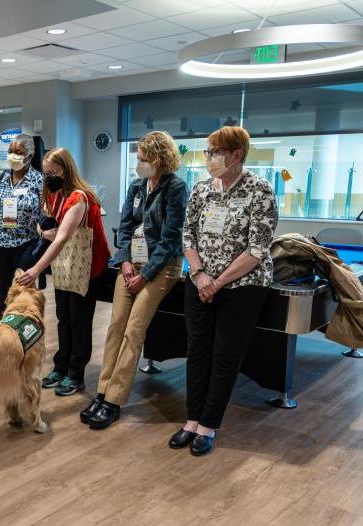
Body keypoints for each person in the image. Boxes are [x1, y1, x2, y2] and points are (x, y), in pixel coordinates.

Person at [168, 126, 277, 456]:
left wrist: (218, 282)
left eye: (215, 152)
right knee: (197, 350)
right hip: (199, 283)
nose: (209, 158)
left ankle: (208, 425)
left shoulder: (260, 191)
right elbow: (188, 236)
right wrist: (200, 275)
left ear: (236, 155)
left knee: (225, 354)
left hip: (242, 286)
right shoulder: (201, 190)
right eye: (208, 152)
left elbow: (257, 248)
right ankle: (191, 419)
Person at [82, 131, 188, 429]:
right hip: (132, 264)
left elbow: (169, 240)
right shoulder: (137, 185)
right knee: (115, 326)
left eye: (143, 159)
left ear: (160, 158)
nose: (139, 164)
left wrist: (145, 275)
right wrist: (126, 263)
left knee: (133, 330)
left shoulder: (176, 188)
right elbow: (126, 227)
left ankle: (114, 399)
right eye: (138, 158)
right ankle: (102, 392)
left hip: (162, 266)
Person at [19, 148, 110, 396]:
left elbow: (60, 239)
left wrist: (37, 268)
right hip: (65, 267)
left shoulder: (78, 198)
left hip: (87, 268)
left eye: (54, 172)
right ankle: (61, 366)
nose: (49, 177)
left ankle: (76, 374)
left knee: (79, 320)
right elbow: (52, 227)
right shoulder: (55, 195)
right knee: (64, 318)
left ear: (66, 170)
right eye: (46, 173)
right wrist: (46, 231)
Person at [0, 134, 43, 317]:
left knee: (23, 295)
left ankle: (24, 335)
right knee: (4, 294)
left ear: (29, 156)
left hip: (26, 245)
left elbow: (44, 214)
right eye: (11, 151)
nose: (13, 155)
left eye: (19, 152)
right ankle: (6, 335)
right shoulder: (0, 177)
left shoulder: (38, 181)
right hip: (0, 245)